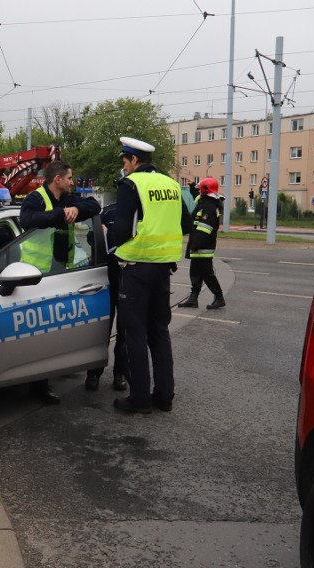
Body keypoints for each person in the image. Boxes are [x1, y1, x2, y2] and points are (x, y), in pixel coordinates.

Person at [112, 137, 192, 414]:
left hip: (135, 268)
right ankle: (165, 397)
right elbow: (186, 223)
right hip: (163, 269)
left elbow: (122, 227)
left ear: (134, 160)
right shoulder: (171, 184)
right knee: (159, 331)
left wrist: (111, 244)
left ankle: (140, 400)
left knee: (135, 333)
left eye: (125, 160)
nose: (124, 165)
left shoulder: (130, 184)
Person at [20, 160, 101, 404]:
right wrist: (60, 214)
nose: (71, 182)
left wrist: (77, 211)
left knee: (57, 330)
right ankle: (38, 386)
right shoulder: (35, 198)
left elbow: (94, 206)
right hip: (35, 275)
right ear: (57, 179)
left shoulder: (68, 198)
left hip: (62, 273)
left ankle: (56, 370)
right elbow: (27, 219)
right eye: (69, 178)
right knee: (39, 333)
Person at [85, 199, 129, 392]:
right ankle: (94, 373)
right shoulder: (108, 212)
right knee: (101, 327)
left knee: (125, 330)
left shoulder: (141, 214)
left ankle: (120, 373)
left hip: (129, 278)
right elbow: (91, 238)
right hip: (107, 277)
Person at [179, 177, 226, 309]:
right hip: (198, 246)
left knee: (207, 274)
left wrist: (195, 245)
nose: (198, 192)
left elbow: (205, 228)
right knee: (195, 273)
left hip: (202, 247)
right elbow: (197, 197)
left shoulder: (209, 207)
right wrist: (193, 186)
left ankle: (219, 297)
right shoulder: (205, 201)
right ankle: (193, 299)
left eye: (200, 189)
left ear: (205, 191)